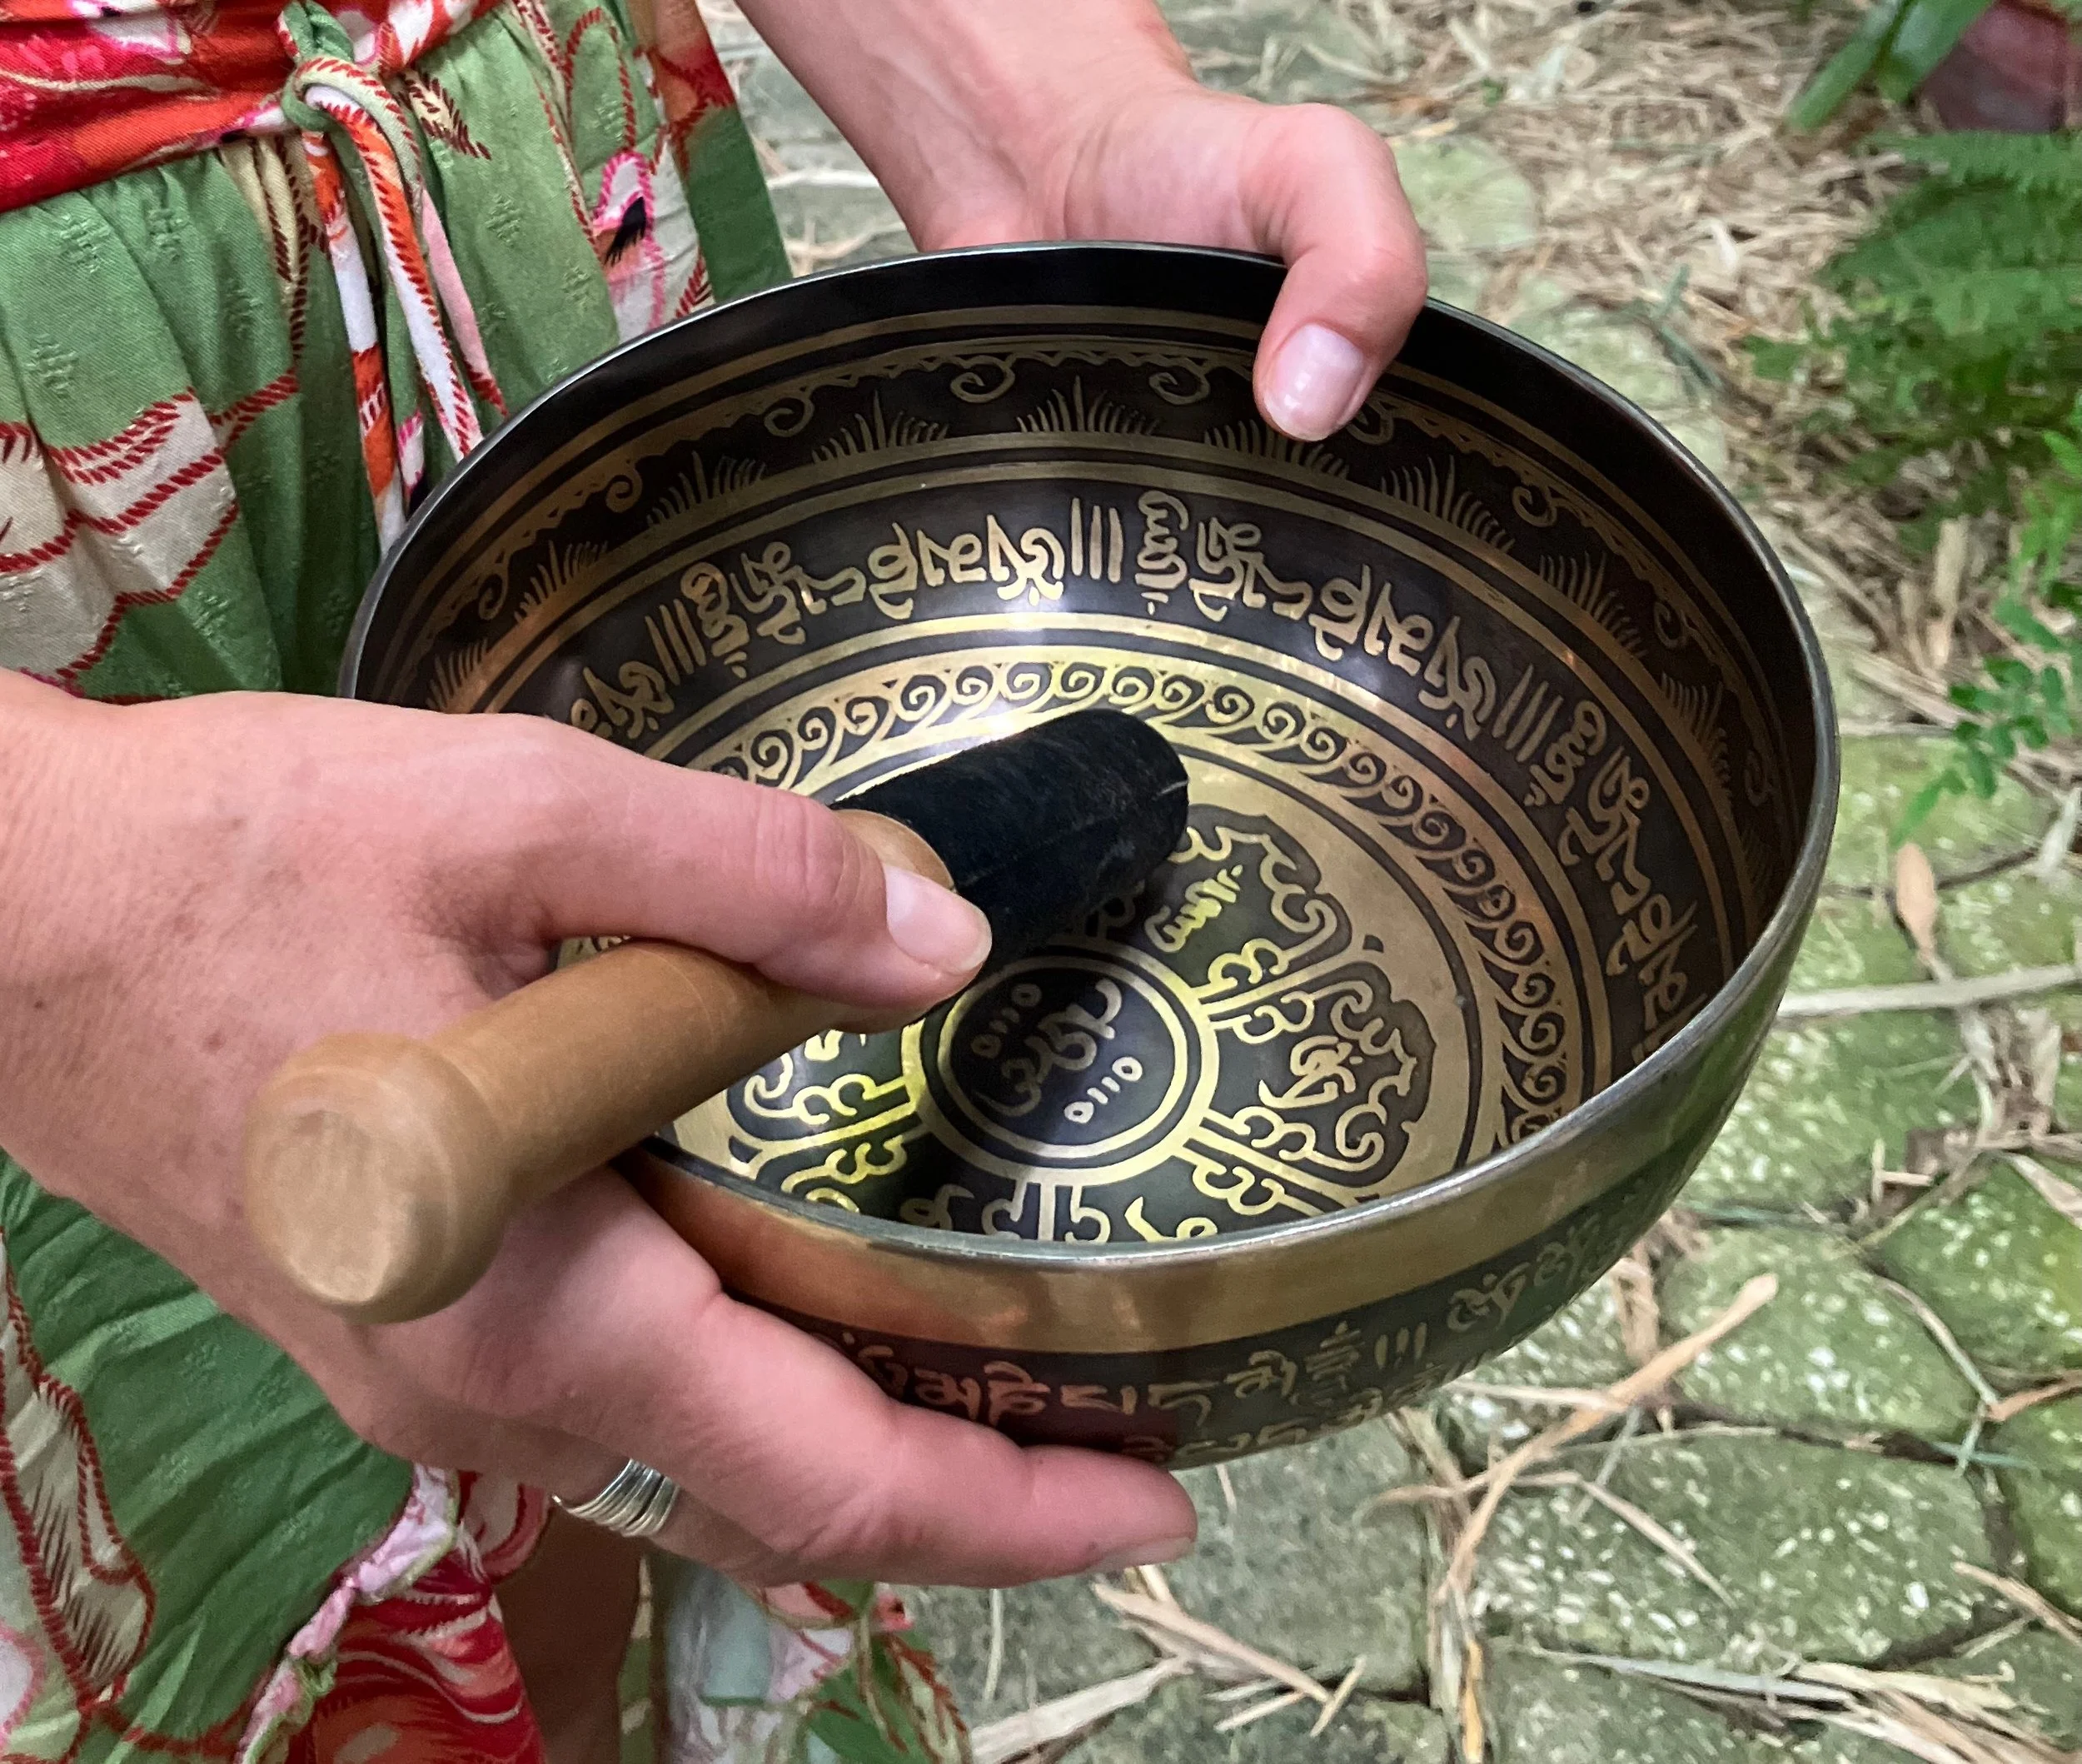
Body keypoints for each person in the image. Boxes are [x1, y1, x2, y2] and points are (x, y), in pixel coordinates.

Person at [0, 1, 1428, 1758]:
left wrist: (1013, 98)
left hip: (516, 254)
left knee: (583, 1458)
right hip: (55, 596)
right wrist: (58, 897)